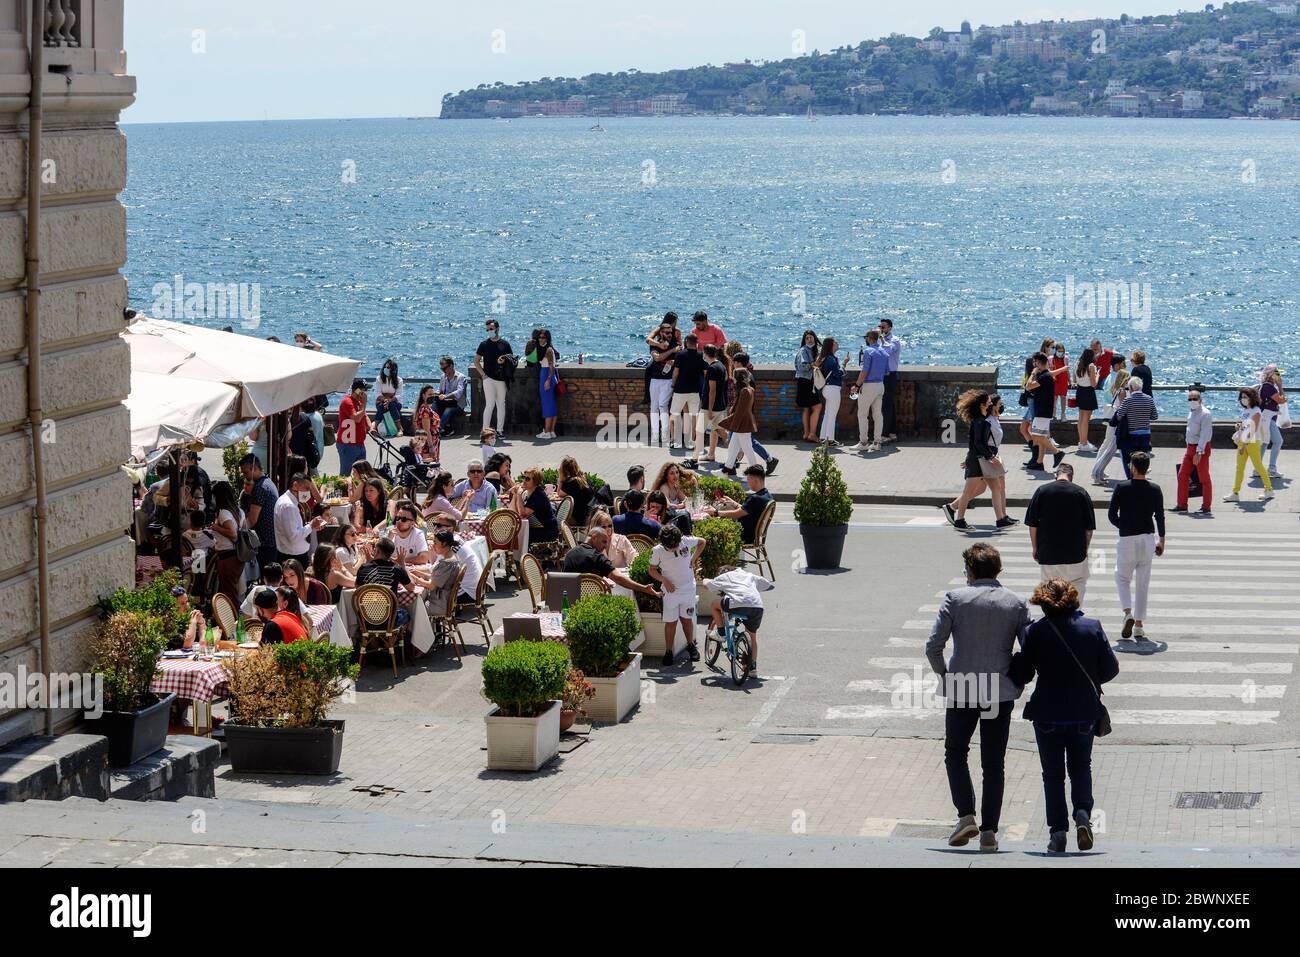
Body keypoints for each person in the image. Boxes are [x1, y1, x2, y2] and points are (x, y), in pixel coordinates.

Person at [926, 543, 1029, 853]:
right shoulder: (1016, 603)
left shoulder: (955, 599)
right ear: (997, 570)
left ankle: (966, 814)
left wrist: (945, 676)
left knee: (955, 751)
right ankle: (989, 832)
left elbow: (933, 645)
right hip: (1000, 690)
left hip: (962, 686)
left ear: (970, 571)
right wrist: (1017, 680)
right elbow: (1029, 649)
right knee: (993, 762)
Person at [1009, 578, 1119, 855]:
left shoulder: (1036, 632)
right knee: (1081, 766)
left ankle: (1058, 832)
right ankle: (1082, 814)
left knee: (1053, 775)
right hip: (1083, 713)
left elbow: (1022, 674)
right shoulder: (1091, 627)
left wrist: (1013, 660)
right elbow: (1110, 669)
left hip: (1047, 714)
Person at [1109, 450, 1165, 642]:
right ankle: (1139, 626)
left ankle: (1127, 613)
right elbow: (1159, 516)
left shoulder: (1121, 487)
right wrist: (1161, 539)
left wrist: (1123, 525)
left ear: (1132, 467)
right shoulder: (1155, 489)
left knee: (1122, 577)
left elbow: (1111, 515)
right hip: (1148, 539)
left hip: (1127, 539)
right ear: (1147, 468)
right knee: (1143, 583)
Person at [1024, 462, 1095, 601]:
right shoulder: (1081, 492)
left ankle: (1053, 619)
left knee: (1050, 589)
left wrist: (1035, 548)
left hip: (1048, 553)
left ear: (1055, 475)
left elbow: (1032, 525)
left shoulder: (1042, 491)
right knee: (1077, 586)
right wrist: (1085, 548)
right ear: (1071, 477)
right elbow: (1089, 529)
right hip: (1075, 554)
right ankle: (1074, 618)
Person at [943, 390, 1013, 530]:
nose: (990, 403)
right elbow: (977, 444)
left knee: (996, 487)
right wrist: (991, 457)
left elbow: (977, 444)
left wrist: (989, 457)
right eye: (988, 401)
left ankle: (1000, 519)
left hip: (981, 459)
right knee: (968, 492)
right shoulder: (980, 421)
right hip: (977, 461)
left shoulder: (982, 420)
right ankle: (959, 520)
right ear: (982, 405)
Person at [648, 524, 704, 667]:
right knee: (671, 622)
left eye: (676, 545)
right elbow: (652, 570)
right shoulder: (657, 551)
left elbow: (702, 542)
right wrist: (664, 580)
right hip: (670, 592)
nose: (674, 548)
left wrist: (693, 559)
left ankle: (690, 645)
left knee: (686, 619)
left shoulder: (685, 541)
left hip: (687, 590)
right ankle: (668, 651)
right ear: (663, 543)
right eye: (670, 547)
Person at [703, 564, 772, 677]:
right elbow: (767, 584)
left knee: (714, 605)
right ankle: (752, 668)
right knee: (752, 637)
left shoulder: (725, 576)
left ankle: (721, 633)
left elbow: (708, 585)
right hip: (757, 606)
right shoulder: (749, 575)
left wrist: (706, 580)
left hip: (737, 602)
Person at [564, 523, 657, 597]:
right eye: (604, 542)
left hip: (571, 600)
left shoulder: (569, 554)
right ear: (594, 537)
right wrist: (643, 588)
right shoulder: (598, 558)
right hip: (595, 602)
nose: (605, 547)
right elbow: (619, 579)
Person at [1225, 386, 1275, 505]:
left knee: (1258, 466)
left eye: (1245, 397)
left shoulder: (1256, 411)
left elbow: (1253, 429)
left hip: (1251, 442)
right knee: (1239, 468)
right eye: (1242, 397)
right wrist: (1239, 426)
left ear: (1252, 398)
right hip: (1243, 441)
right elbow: (1246, 427)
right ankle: (1235, 493)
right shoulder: (1246, 411)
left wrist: (1244, 445)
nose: (1243, 399)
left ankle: (1269, 489)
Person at [685, 343, 730, 469]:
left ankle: (694, 460)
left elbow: (712, 390)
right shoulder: (721, 366)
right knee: (719, 431)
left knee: (699, 432)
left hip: (709, 407)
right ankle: (728, 453)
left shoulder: (712, 369)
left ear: (706, 354)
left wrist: (709, 409)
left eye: (703, 353)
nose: (702, 355)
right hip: (720, 406)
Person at [1090, 355, 1130, 487]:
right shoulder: (1118, 378)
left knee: (1107, 443)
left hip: (1109, 413)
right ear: (1117, 365)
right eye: (1123, 363)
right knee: (1109, 445)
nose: (1124, 365)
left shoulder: (1109, 377)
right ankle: (1096, 470)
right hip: (1115, 415)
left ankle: (1097, 469)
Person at [707, 465, 772, 545]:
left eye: (748, 479)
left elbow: (736, 514)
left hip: (743, 535)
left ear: (755, 480)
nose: (747, 482)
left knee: (709, 526)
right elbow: (747, 510)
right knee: (722, 511)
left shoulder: (755, 498)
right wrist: (733, 502)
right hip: (753, 534)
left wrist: (715, 512)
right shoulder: (766, 495)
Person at [847, 329, 887, 454]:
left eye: (866, 337)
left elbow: (864, 371)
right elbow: (887, 371)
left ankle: (863, 443)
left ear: (869, 338)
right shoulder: (884, 352)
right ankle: (877, 442)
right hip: (880, 385)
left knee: (862, 414)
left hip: (869, 386)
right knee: (878, 415)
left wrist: (857, 385)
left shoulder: (868, 351)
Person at [1024, 352, 1066, 471]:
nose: (1033, 364)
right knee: (1041, 435)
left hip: (1042, 411)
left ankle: (1057, 452)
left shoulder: (1044, 376)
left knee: (1037, 436)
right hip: (1044, 410)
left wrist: (1033, 373)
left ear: (1038, 363)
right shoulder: (1045, 375)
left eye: (1034, 362)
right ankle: (1039, 462)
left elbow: (1028, 386)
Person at [1174, 388, 1213, 514]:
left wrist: (1199, 452)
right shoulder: (1191, 412)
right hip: (1190, 448)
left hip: (1200, 449)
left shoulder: (1205, 414)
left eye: (1194, 398)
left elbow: (1205, 435)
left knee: (1204, 478)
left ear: (1200, 399)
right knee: (1182, 475)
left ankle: (1206, 507)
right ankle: (1182, 505)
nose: (1192, 401)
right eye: (1190, 399)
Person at [239, 453, 279, 574]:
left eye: (245, 472)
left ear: (253, 468)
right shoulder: (268, 482)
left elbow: (251, 520)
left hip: (265, 542)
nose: (244, 476)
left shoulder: (260, 488)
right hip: (272, 540)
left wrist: (237, 531)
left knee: (266, 579)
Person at [274, 473, 326, 566]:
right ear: (295, 485)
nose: (308, 492)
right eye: (306, 488)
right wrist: (311, 525)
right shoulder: (288, 506)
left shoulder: (293, 502)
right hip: (292, 557)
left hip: (296, 554)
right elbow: (293, 537)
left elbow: (298, 527)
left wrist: (313, 526)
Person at [475, 317, 514, 436]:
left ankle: (500, 430)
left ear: (497, 328)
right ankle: (485, 431)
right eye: (487, 330)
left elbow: (511, 359)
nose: (489, 331)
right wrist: (483, 375)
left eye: (491, 328)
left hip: (501, 379)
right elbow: (476, 361)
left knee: (501, 404)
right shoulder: (484, 344)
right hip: (489, 379)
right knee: (490, 404)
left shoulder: (505, 344)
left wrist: (503, 361)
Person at [208, 481, 246, 606]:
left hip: (227, 557)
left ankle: (234, 621)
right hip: (237, 556)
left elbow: (233, 533)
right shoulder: (239, 511)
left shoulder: (224, 513)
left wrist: (215, 527)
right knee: (231, 590)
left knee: (229, 593)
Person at [1112, 377, 1156, 479]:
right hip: (1145, 435)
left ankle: (1131, 479)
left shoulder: (1128, 400)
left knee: (1128, 461)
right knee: (1142, 461)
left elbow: (1119, 416)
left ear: (1131, 387)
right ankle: (1141, 479)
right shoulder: (1149, 399)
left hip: (1131, 436)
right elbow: (1154, 416)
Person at [646, 316, 680, 448]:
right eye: (666, 332)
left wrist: (674, 358)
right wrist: (671, 351)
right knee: (654, 408)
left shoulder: (675, 344)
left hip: (667, 380)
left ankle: (665, 437)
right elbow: (657, 358)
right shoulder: (656, 344)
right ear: (661, 333)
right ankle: (655, 436)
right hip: (655, 379)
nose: (669, 335)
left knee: (662, 406)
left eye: (671, 332)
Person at [717, 368, 758, 477]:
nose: (733, 379)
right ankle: (725, 471)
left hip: (742, 425)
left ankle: (757, 473)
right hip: (743, 424)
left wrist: (729, 424)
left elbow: (740, 412)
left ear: (738, 378)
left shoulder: (745, 391)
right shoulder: (749, 389)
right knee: (733, 448)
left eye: (734, 376)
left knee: (748, 449)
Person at [669, 332, 706, 452]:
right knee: (693, 416)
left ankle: (675, 440)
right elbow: (705, 373)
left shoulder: (680, 355)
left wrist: (673, 384)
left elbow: (676, 372)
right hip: (695, 390)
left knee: (674, 414)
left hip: (680, 389)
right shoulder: (701, 355)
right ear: (697, 342)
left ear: (686, 342)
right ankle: (690, 442)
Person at [336, 379, 371, 477]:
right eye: (364, 390)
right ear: (357, 391)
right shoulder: (347, 402)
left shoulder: (359, 403)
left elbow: (364, 415)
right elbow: (356, 418)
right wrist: (364, 404)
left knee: (362, 475)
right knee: (345, 475)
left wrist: (370, 427)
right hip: (348, 444)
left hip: (359, 444)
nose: (365, 393)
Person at [513, 467, 558, 545]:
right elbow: (515, 511)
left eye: (527, 479)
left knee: (517, 534)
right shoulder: (528, 493)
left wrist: (519, 495)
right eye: (523, 477)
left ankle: (520, 556)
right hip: (538, 527)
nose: (524, 481)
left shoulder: (538, 495)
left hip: (547, 531)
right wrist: (515, 495)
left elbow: (523, 514)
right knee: (514, 531)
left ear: (535, 481)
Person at [794, 330, 824, 444]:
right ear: (804, 340)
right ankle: (812, 434)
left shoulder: (812, 350)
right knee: (817, 407)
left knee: (806, 408)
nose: (809, 340)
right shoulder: (804, 350)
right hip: (806, 382)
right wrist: (814, 364)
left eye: (811, 337)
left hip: (806, 381)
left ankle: (806, 433)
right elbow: (803, 366)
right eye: (807, 338)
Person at [816, 337, 844, 446]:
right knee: (832, 415)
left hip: (826, 388)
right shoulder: (832, 359)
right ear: (832, 345)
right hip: (833, 388)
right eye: (836, 342)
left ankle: (823, 437)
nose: (837, 344)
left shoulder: (825, 358)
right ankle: (829, 439)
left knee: (828, 413)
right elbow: (838, 374)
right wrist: (843, 366)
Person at [1259, 365, 1286, 479]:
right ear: (1271, 375)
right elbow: (1281, 400)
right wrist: (1280, 386)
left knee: (1265, 442)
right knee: (1278, 441)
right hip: (1268, 418)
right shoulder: (1269, 387)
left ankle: (1257, 469)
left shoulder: (1265, 386)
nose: (1279, 376)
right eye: (1277, 374)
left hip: (1265, 417)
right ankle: (1271, 468)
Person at [878, 318, 902, 443]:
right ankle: (892, 432)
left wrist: (881, 340)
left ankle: (885, 434)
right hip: (882, 375)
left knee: (886, 405)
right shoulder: (880, 341)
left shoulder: (895, 340)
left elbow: (888, 351)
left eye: (884, 327)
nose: (881, 329)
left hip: (890, 375)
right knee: (889, 405)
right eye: (880, 327)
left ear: (890, 328)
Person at [435, 356, 469, 437]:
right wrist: (435, 393)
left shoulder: (461, 377)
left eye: (444, 368)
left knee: (448, 410)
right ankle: (429, 428)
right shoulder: (443, 377)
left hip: (457, 404)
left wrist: (446, 396)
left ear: (451, 366)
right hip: (446, 402)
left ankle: (437, 430)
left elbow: (459, 392)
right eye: (441, 369)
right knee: (433, 406)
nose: (443, 371)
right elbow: (441, 391)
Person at [1073, 347, 1099, 452]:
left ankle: (1082, 441)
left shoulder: (1078, 363)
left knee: (1081, 417)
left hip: (1080, 391)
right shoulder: (1091, 366)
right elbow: (1093, 384)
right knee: (1086, 419)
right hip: (1088, 392)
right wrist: (1098, 375)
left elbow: (1074, 378)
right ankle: (1084, 443)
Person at [536, 330, 559, 439]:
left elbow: (551, 367)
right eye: (539, 337)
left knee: (547, 405)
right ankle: (552, 431)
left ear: (547, 338)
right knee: (552, 405)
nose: (541, 339)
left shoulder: (548, 350)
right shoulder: (549, 349)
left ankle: (547, 431)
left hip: (546, 376)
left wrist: (548, 380)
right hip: (548, 376)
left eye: (543, 337)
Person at [413, 385, 443, 463]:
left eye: (433, 394)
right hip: (427, 443)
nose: (432, 396)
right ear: (423, 396)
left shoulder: (428, 409)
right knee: (429, 465)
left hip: (433, 441)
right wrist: (431, 447)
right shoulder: (425, 411)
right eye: (429, 395)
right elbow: (427, 430)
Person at [375, 359, 404, 434]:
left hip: (395, 403)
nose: (387, 369)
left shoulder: (399, 380)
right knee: (382, 406)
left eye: (389, 368)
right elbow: (378, 394)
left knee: (391, 405)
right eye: (386, 367)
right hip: (382, 402)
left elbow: (399, 395)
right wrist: (386, 399)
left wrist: (389, 400)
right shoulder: (379, 379)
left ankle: (399, 428)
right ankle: (375, 427)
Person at [1048, 342, 1070, 420]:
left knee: (1063, 397)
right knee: (1054, 398)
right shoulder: (1050, 359)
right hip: (1054, 380)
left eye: (1062, 351)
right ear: (1056, 351)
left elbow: (1067, 371)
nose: (1060, 353)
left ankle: (1063, 414)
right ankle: (1053, 414)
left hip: (1063, 380)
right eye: (1059, 351)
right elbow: (1049, 369)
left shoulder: (1066, 358)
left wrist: (1070, 381)